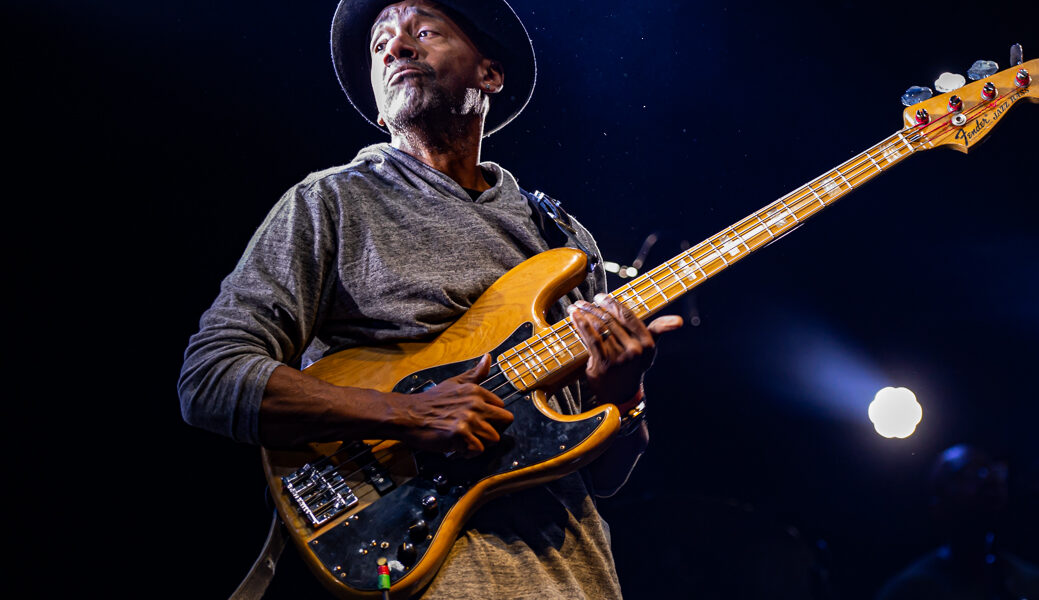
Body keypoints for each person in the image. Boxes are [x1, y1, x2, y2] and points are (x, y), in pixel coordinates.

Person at [178, 0, 682, 597]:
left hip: (570, 579)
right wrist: (408, 413)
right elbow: (212, 376)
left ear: (489, 75)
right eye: (380, 43)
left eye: (423, 30)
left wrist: (623, 398)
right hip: (414, 573)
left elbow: (603, 478)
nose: (396, 46)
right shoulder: (329, 203)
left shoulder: (564, 239)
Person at [874, 444, 1039, 600]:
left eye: (990, 471)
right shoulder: (910, 591)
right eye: (968, 474)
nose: (988, 480)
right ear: (939, 505)